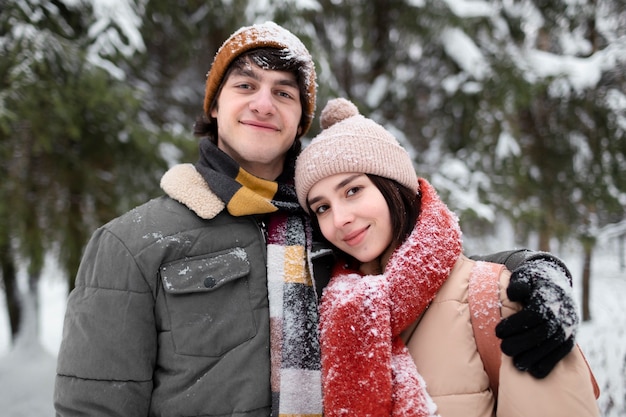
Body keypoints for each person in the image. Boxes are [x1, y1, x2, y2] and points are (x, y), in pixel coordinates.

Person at [54, 22, 579, 417]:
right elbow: (93, 406)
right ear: (214, 105)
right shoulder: (133, 243)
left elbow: (429, 268)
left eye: (284, 92)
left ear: (299, 120)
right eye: (246, 85)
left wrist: (532, 271)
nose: (264, 102)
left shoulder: (328, 222)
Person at [294, 97, 600, 416]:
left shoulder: (501, 300)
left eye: (353, 190)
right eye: (322, 207)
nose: (339, 218)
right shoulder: (335, 312)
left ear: (393, 187)